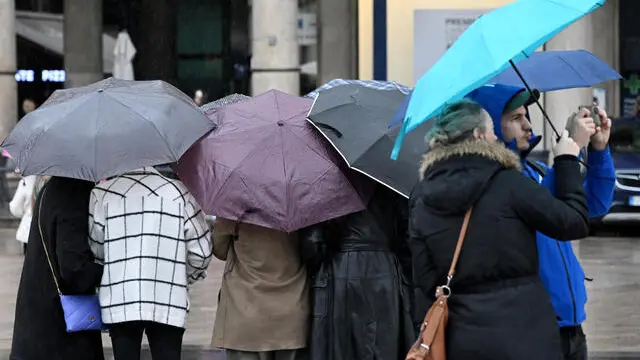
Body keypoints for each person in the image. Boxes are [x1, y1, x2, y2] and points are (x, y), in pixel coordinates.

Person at [409, 99, 590, 359]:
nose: (496, 137)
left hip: (464, 341)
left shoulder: (422, 197)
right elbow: (574, 221)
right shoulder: (509, 183)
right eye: (492, 130)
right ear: (479, 135)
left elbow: (424, 281)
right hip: (528, 337)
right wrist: (566, 160)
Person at [467, 84, 615, 360]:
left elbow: (593, 205)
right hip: (533, 326)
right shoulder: (495, 181)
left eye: (526, 115)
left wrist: (598, 150)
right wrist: (568, 152)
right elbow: (538, 207)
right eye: (515, 118)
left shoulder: (537, 171)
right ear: (489, 127)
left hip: (571, 323)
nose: (527, 125)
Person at [88, 167, 213, 360]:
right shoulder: (180, 193)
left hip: (121, 299)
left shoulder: (102, 194)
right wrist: (179, 275)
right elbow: (202, 253)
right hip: (169, 300)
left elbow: (96, 249)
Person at [299, 184, 414, 360]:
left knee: (342, 346)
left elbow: (313, 242)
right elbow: (409, 235)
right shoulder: (392, 184)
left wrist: (317, 264)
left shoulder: (330, 184)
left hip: (341, 270)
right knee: (385, 344)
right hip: (385, 270)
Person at [11, 176, 104, 360]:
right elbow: (74, 270)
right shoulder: (73, 192)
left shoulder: (51, 188)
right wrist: (108, 270)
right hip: (59, 337)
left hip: (36, 331)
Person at [211, 215, 309, 360]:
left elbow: (220, 249)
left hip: (244, 311)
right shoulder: (299, 205)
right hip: (291, 315)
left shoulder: (235, 205)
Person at [9, 175, 48, 255]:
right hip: (51, 231)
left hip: (28, 230)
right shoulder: (58, 180)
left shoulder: (27, 180)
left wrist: (26, 213)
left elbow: (15, 207)